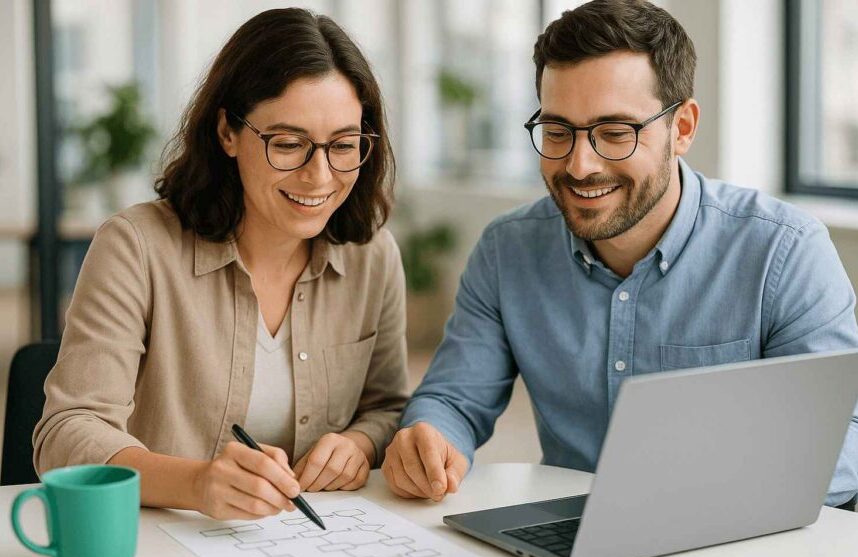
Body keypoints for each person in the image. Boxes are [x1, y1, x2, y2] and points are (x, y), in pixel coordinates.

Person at [382, 0, 858, 512]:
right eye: (558, 132)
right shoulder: (507, 250)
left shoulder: (782, 251)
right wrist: (429, 438)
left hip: (733, 539)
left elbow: (842, 446)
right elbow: (454, 399)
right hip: (572, 543)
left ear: (682, 129)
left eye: (615, 133)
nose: (580, 165)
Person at [34, 8, 408, 521]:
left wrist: (361, 443)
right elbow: (66, 431)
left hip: (307, 553)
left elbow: (388, 407)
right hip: (161, 549)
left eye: (343, 145)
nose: (319, 176)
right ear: (228, 133)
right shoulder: (136, 247)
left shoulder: (374, 256)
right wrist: (196, 483)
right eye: (288, 144)